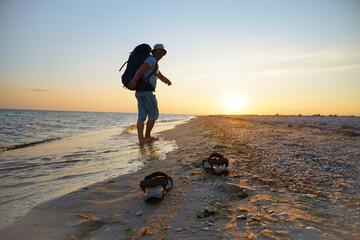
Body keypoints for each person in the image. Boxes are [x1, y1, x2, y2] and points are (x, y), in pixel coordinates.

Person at [128, 43, 172, 143]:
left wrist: (167, 80)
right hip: (146, 93)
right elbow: (141, 68)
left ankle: (141, 140)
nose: (160, 54)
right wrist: (134, 80)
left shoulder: (154, 64)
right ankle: (147, 136)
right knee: (154, 114)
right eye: (158, 51)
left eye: (162, 52)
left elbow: (159, 75)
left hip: (140, 92)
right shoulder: (151, 60)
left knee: (142, 116)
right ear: (154, 52)